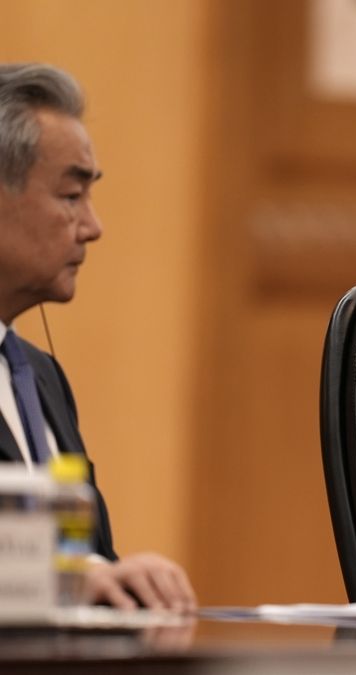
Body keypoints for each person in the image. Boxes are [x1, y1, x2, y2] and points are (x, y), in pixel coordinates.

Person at [0, 62, 195, 612]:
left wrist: (120, 578)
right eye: (70, 196)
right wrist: (67, 581)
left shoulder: (38, 376)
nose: (93, 226)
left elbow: (79, 555)